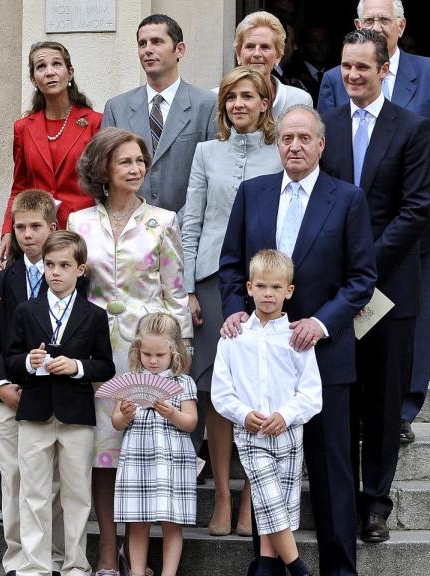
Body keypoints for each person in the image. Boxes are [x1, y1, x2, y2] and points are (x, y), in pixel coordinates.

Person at [218, 105, 376, 576]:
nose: (295, 146)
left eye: (304, 138)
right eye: (287, 138)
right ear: (277, 143)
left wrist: (321, 323)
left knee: (331, 474)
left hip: (323, 356)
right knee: (265, 477)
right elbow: (230, 266)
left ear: (321, 145)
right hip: (260, 359)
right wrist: (234, 315)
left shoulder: (347, 199)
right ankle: (267, 568)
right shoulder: (253, 194)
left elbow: (361, 277)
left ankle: (338, 570)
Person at [319, 0, 430, 445]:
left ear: (401, 25)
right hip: (351, 224)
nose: (378, 26)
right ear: (357, 24)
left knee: (407, 317)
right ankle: (357, 405)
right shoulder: (334, 79)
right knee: (351, 313)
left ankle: (403, 408)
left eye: (386, 19)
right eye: (370, 20)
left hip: (416, 223)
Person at [319, 29, 430, 545]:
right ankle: (340, 498)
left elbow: (416, 210)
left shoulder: (411, 128)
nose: (352, 76)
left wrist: (366, 263)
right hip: (338, 290)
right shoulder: (325, 129)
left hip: (390, 290)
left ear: (384, 69)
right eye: (345, 67)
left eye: (362, 67)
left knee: (384, 404)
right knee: (340, 398)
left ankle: (376, 505)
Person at [70, 127, 192, 575]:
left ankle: (146, 554)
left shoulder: (164, 220)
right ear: (104, 168)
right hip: (98, 356)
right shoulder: (79, 223)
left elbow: (176, 292)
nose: (136, 168)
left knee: (144, 454)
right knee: (105, 456)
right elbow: (72, 289)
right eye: (125, 161)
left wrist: (180, 355)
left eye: (140, 160)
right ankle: (107, 550)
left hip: (149, 355)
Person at [182, 66, 282, 537]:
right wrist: (185, 288)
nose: (238, 105)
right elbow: (193, 220)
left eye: (247, 96)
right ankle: (222, 492)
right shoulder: (206, 152)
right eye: (230, 98)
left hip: (262, 285)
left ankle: (250, 496)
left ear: (265, 102)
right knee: (216, 392)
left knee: (256, 390)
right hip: (209, 282)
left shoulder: (280, 152)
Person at [5, 230, 116, 576]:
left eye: (64, 265)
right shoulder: (26, 310)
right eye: (50, 264)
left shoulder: (94, 315)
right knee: (33, 492)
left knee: (77, 494)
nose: (55, 272)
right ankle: (34, 565)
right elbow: (10, 359)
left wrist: (78, 366)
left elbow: (106, 365)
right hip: (35, 411)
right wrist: (28, 361)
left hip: (76, 414)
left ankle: (75, 565)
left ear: (80, 269)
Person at [212, 249, 322, 576]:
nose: (268, 294)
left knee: (278, 507)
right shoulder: (234, 336)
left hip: (288, 433)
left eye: (276, 287)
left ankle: (266, 568)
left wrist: (286, 415)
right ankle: (299, 568)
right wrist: (243, 413)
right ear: (249, 288)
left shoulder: (296, 337)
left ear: (288, 291)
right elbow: (221, 390)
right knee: (270, 499)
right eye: (261, 286)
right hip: (251, 433)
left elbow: (311, 393)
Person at [0, 189, 67, 576]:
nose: (27, 235)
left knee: (54, 481)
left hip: (52, 393)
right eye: (20, 228)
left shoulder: (66, 275)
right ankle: (17, 557)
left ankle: (54, 556)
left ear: (52, 227)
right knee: (13, 479)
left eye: (35, 227)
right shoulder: (2, 278)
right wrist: (0, 385)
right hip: (8, 396)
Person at [0, 41, 103, 269]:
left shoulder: (94, 122)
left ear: (69, 72)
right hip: (38, 232)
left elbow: (104, 186)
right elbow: (19, 187)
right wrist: (7, 231)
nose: (50, 72)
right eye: (41, 67)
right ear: (34, 79)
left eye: (57, 64)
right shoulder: (23, 128)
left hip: (83, 232)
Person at [101, 14, 216, 218]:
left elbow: (213, 177)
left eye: (157, 42)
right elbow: (104, 174)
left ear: (179, 49)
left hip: (187, 229)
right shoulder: (116, 108)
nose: (147, 50)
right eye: (142, 44)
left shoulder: (207, 105)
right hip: (130, 228)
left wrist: (174, 224)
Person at [111, 313, 198, 576]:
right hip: (138, 457)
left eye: (160, 355)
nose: (152, 360)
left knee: (173, 521)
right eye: (147, 353)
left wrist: (171, 412)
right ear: (138, 350)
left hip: (172, 459)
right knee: (138, 522)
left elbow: (191, 422)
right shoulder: (130, 381)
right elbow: (116, 421)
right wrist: (125, 414)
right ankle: (137, 572)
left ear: (174, 351)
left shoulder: (183, 382)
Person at [225, 12, 312, 121]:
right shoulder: (216, 98)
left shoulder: (299, 100)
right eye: (250, 46)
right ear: (238, 54)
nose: (257, 54)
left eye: (265, 47)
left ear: (278, 56)